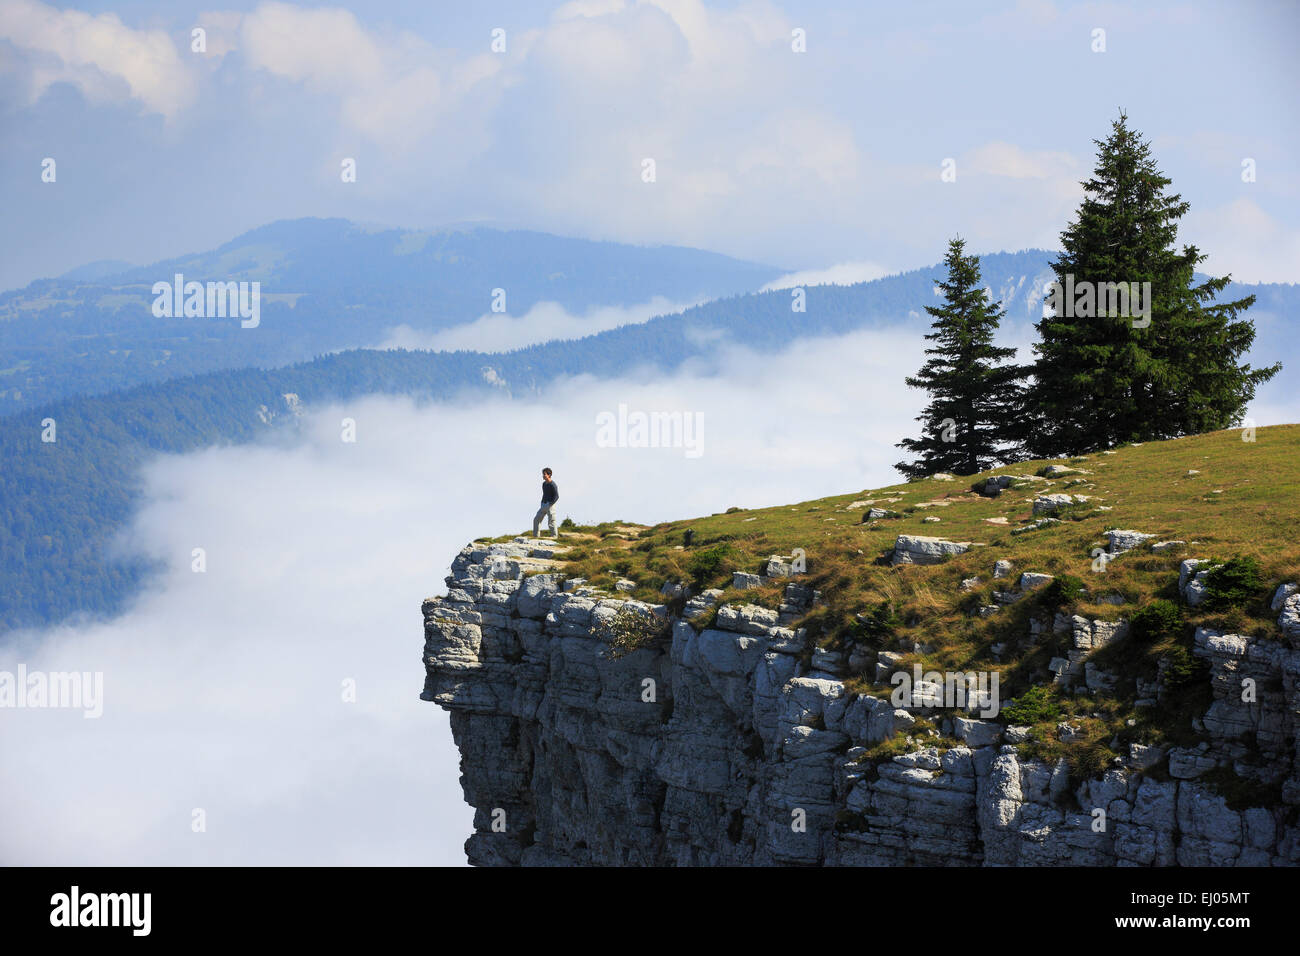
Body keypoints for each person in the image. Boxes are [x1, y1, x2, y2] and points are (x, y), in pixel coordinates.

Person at [533, 467, 560, 538]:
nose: (543, 476)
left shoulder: (553, 484)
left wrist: (550, 504)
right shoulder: (544, 484)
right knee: (536, 520)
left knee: (551, 521)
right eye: (543, 474)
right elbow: (544, 494)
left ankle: (554, 536)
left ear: (549, 475)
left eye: (544, 474)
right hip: (543, 505)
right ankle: (536, 536)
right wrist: (542, 502)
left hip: (550, 506)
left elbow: (557, 496)